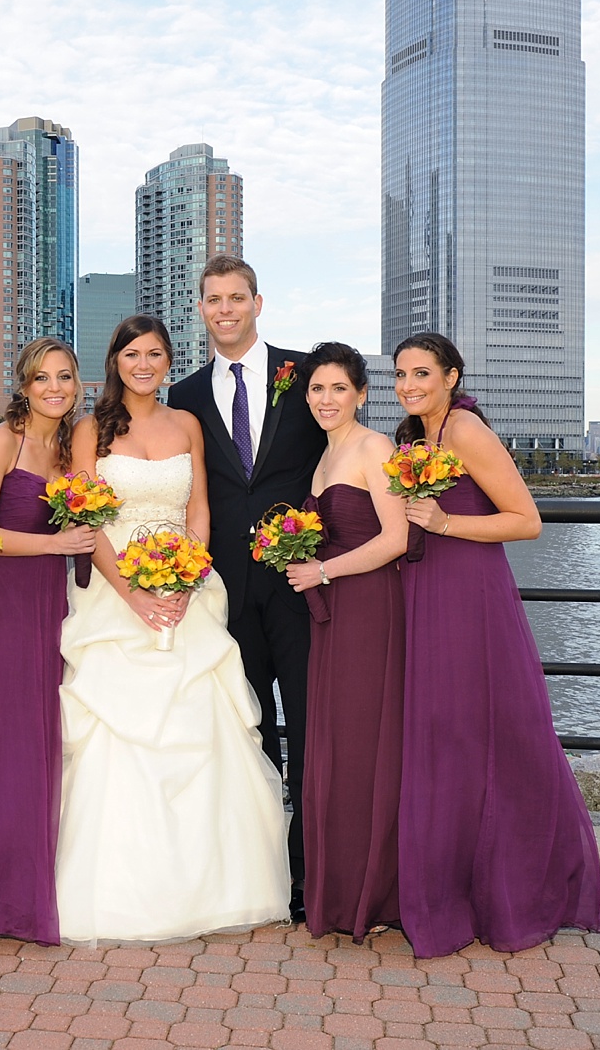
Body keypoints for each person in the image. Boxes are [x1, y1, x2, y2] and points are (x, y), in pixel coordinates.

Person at [55, 315, 290, 943]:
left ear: (167, 362)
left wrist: (190, 574)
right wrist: (132, 592)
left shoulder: (186, 423)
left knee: (203, 722)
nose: (143, 364)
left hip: (187, 585)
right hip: (115, 590)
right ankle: (117, 891)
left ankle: (217, 886)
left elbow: (199, 507)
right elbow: (87, 519)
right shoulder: (89, 430)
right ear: (115, 361)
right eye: (131, 354)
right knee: (119, 728)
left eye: (155, 354)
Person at [392, 331, 600, 957]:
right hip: (425, 589)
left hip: (469, 593)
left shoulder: (464, 431)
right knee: (444, 733)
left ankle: (518, 886)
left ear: (451, 377)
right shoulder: (414, 438)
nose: (408, 385)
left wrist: (445, 521)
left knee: (489, 730)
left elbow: (527, 519)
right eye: (401, 375)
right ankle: (456, 884)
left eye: (422, 374)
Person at [166, 255, 325, 915]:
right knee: (250, 728)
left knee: (315, 725)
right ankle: (262, 870)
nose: (225, 308)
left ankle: (313, 872)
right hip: (224, 586)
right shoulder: (185, 396)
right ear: (200, 308)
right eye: (213, 299)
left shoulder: (306, 374)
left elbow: (340, 454)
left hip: (301, 580)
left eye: (237, 297)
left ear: (258, 303)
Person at [0, 338, 95, 945]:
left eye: (65, 377)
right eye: (43, 379)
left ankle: (31, 886)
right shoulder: (1, 440)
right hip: (1, 601)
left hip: (50, 605)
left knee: (42, 745)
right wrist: (54, 545)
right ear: (24, 385)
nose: (56, 388)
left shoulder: (70, 446)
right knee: (2, 745)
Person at [282, 342, 407, 943]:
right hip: (330, 610)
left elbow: (397, 538)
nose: (326, 400)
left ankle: (374, 890)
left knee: (362, 740)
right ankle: (342, 886)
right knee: (336, 741)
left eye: (338, 389)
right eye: (316, 389)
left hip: (368, 606)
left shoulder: (373, 447)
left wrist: (324, 571)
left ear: (362, 393)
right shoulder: (325, 455)